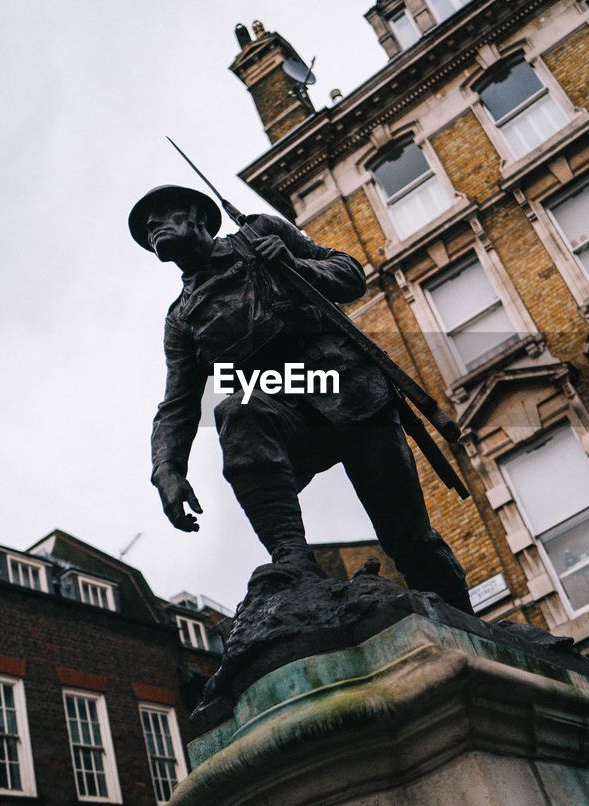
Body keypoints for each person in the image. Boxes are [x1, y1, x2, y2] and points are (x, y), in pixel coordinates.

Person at [130, 185, 474, 614]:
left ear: (199, 216)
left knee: (410, 540)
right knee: (238, 408)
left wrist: (295, 265)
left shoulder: (259, 233)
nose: (151, 225)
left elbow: (350, 275)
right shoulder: (181, 317)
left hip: (349, 391)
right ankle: (291, 557)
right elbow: (178, 403)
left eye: (162, 213)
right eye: (146, 225)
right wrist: (166, 469)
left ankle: (470, 625)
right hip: (283, 409)